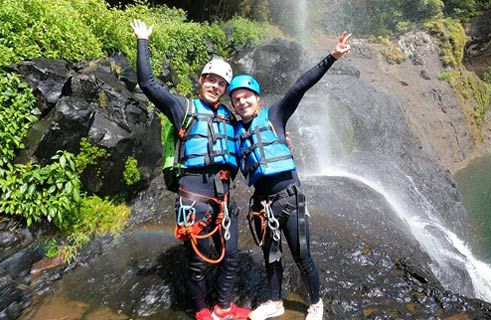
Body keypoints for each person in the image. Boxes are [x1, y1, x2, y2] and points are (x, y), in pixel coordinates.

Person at [130, 19, 250, 320]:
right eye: (210, 79)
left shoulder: (229, 116)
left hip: (223, 195)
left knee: (231, 254)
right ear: (201, 80)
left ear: (225, 89)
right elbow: (148, 84)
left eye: (221, 83)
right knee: (198, 260)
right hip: (193, 194)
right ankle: (201, 311)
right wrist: (143, 40)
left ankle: (223, 307)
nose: (215, 86)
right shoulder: (182, 108)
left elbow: (252, 137)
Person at [229, 32, 351, 320]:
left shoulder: (274, 116)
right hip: (262, 203)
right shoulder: (234, 133)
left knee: (302, 256)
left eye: (246, 96)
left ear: (256, 99)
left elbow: (300, 86)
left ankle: (316, 303)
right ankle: (275, 302)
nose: (242, 102)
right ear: (233, 105)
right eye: (236, 99)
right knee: (271, 257)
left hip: (289, 197)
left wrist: (332, 56)